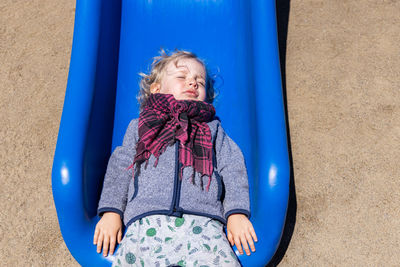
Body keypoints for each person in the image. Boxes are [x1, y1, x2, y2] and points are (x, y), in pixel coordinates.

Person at [93, 49, 257, 266]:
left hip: (204, 222)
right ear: (156, 89)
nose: (193, 83)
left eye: (199, 81)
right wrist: (112, 212)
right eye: (182, 77)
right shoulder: (142, 125)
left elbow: (232, 166)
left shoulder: (211, 128)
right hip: (144, 222)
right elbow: (121, 167)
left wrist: (235, 213)